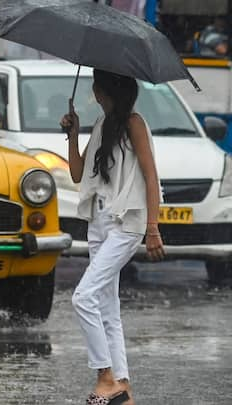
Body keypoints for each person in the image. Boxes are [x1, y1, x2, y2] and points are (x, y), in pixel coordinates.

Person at [61, 69, 165, 405]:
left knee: (83, 297)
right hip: (99, 222)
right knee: (107, 307)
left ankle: (105, 377)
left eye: (96, 82)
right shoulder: (103, 125)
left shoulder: (134, 123)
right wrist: (74, 135)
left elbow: (151, 178)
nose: (93, 88)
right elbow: (78, 173)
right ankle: (124, 387)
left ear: (105, 89)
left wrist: (153, 228)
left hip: (126, 223)